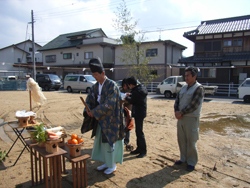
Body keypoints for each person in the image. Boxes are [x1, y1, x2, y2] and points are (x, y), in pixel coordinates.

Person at [81, 57, 124, 175]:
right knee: (101, 141)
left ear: (103, 73)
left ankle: (112, 164)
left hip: (112, 119)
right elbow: (89, 99)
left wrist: (94, 112)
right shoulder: (95, 86)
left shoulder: (112, 85)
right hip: (101, 119)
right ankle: (106, 162)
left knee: (111, 142)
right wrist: (88, 110)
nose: (94, 77)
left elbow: (110, 103)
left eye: (96, 74)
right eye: (93, 75)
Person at [174, 66, 204, 172]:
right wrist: (176, 112)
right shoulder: (183, 87)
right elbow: (177, 100)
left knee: (191, 141)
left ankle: (191, 162)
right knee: (181, 140)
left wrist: (181, 112)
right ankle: (183, 159)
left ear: (194, 76)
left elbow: (194, 105)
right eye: (185, 75)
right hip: (181, 118)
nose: (185, 77)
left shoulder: (198, 88)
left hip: (191, 119)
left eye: (188, 75)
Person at [125, 76, 148, 158]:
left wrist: (126, 97)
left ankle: (143, 151)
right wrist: (130, 94)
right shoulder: (141, 88)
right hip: (141, 112)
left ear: (131, 84)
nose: (129, 87)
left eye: (129, 85)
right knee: (138, 131)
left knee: (139, 132)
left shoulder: (136, 92)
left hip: (139, 113)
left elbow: (132, 101)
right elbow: (135, 96)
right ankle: (139, 148)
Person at [120, 78, 133, 147]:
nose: (124, 87)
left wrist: (124, 99)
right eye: (123, 85)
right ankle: (122, 139)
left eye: (126, 86)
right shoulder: (121, 90)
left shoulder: (131, 91)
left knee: (128, 125)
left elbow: (130, 101)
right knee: (122, 125)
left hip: (128, 110)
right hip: (122, 109)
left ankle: (127, 140)